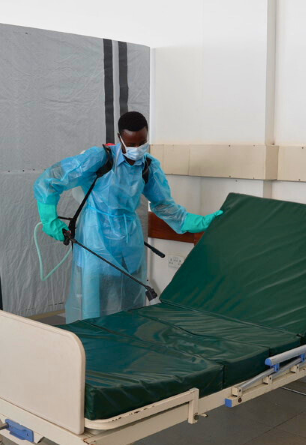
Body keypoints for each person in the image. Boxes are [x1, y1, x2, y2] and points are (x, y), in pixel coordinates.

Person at [34, 111, 223, 323]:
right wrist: (51, 222)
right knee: (93, 305)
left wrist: (197, 222)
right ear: (119, 137)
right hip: (96, 239)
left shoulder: (149, 166)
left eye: (142, 142)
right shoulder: (99, 158)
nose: (137, 149)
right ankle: (93, 349)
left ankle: (128, 350)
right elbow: (49, 181)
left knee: (130, 302)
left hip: (129, 241)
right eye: (131, 144)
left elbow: (164, 205)